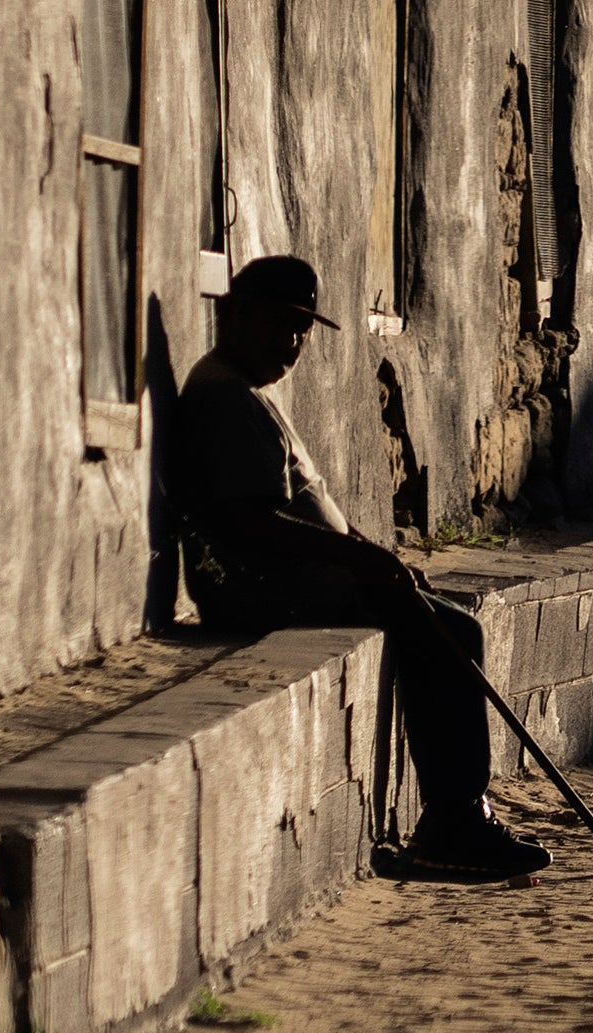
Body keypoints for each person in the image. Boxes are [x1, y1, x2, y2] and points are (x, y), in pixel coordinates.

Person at [164, 258, 547, 882]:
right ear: (233, 315)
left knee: (449, 625)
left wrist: (372, 551)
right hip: (265, 587)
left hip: (302, 575)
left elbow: (306, 505)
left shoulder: (247, 392)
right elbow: (246, 522)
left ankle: (457, 817)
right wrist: (358, 557)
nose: (289, 344)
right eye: (277, 324)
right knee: (450, 634)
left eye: (301, 331)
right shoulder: (224, 397)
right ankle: (455, 823)